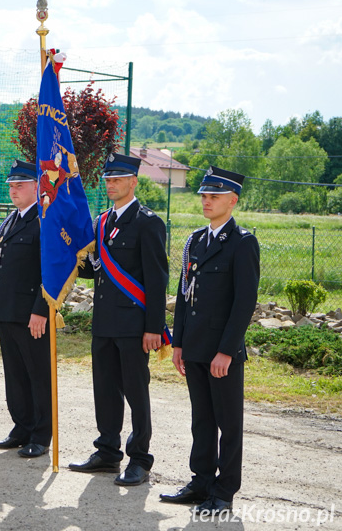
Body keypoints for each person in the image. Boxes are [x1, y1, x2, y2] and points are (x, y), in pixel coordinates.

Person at [161, 166, 259, 516]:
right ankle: (201, 481)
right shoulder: (195, 241)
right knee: (201, 419)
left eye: (214, 196)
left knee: (228, 423)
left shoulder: (242, 242)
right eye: (204, 195)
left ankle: (224, 491)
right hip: (196, 347)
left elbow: (244, 302)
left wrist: (226, 351)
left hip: (222, 352)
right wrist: (178, 343)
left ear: (232, 201)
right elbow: (185, 295)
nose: (207, 200)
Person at [68, 153, 167, 486]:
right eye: (108, 179)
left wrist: (153, 327)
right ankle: (108, 451)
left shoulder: (148, 222)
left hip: (133, 326)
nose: (111, 184)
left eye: (117, 179)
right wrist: (60, 255)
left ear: (133, 182)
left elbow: (156, 280)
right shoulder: (101, 222)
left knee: (136, 392)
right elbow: (93, 269)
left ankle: (139, 458)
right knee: (105, 390)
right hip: (104, 322)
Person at [0, 160, 51, 458]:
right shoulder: (11, 220)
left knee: (38, 375)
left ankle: (40, 434)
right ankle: (21, 427)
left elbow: (50, 272)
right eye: (11, 185)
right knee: (15, 375)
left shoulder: (44, 220)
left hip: (30, 314)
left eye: (20, 185)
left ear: (37, 187)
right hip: (7, 310)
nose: (14, 190)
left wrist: (41, 309)